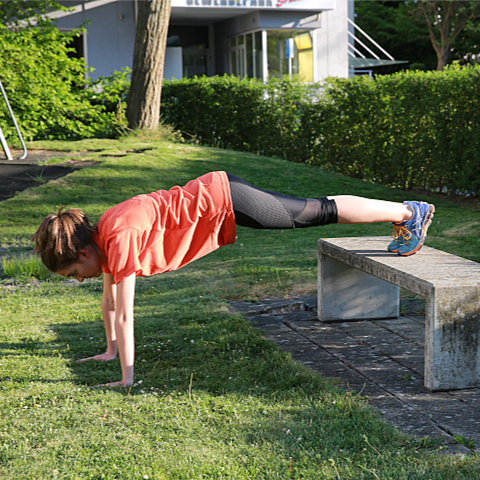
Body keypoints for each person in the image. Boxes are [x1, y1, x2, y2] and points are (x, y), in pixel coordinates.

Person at [32, 171, 435, 387]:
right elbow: (109, 299)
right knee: (316, 210)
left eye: (73, 274)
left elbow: (124, 313)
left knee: (318, 211)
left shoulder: (117, 239)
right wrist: (108, 350)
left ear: (83, 251)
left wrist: (127, 376)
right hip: (223, 195)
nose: (80, 280)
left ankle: (407, 212)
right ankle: (404, 213)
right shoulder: (106, 232)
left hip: (229, 199)